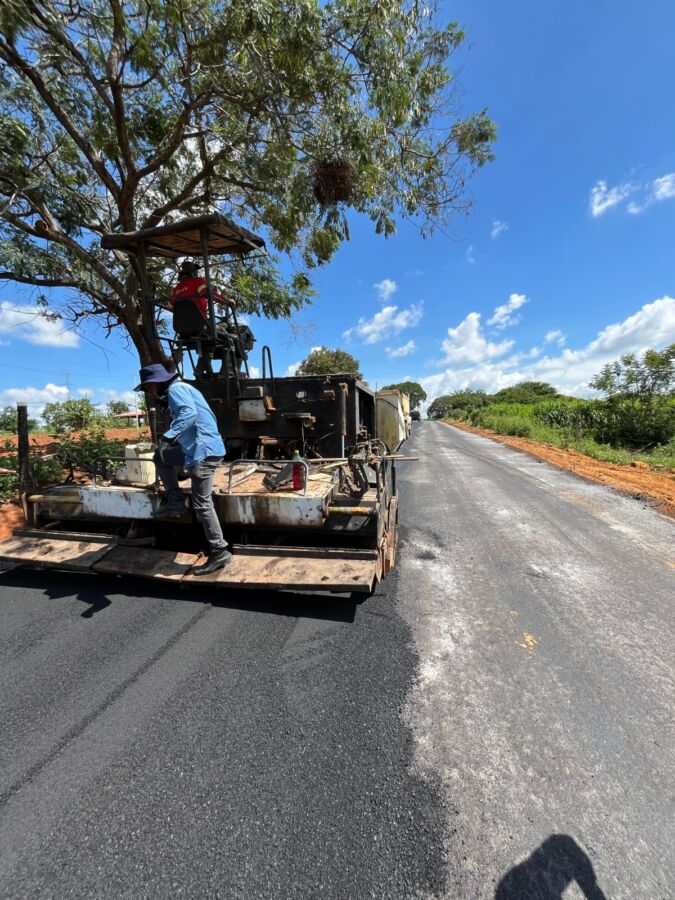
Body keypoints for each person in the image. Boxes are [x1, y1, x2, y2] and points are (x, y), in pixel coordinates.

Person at [134, 363, 232, 575]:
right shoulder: (180, 390)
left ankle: (219, 550)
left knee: (202, 504)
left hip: (204, 451)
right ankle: (176, 502)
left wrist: (168, 438)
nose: (149, 393)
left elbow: (189, 414)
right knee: (161, 457)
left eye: (148, 388)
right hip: (195, 449)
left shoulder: (177, 389)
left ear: (156, 383)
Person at [169, 259, 236, 319]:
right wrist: (227, 301)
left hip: (180, 327)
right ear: (193, 272)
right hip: (199, 323)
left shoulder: (176, 289)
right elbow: (207, 293)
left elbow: (170, 306)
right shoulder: (197, 281)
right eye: (196, 271)